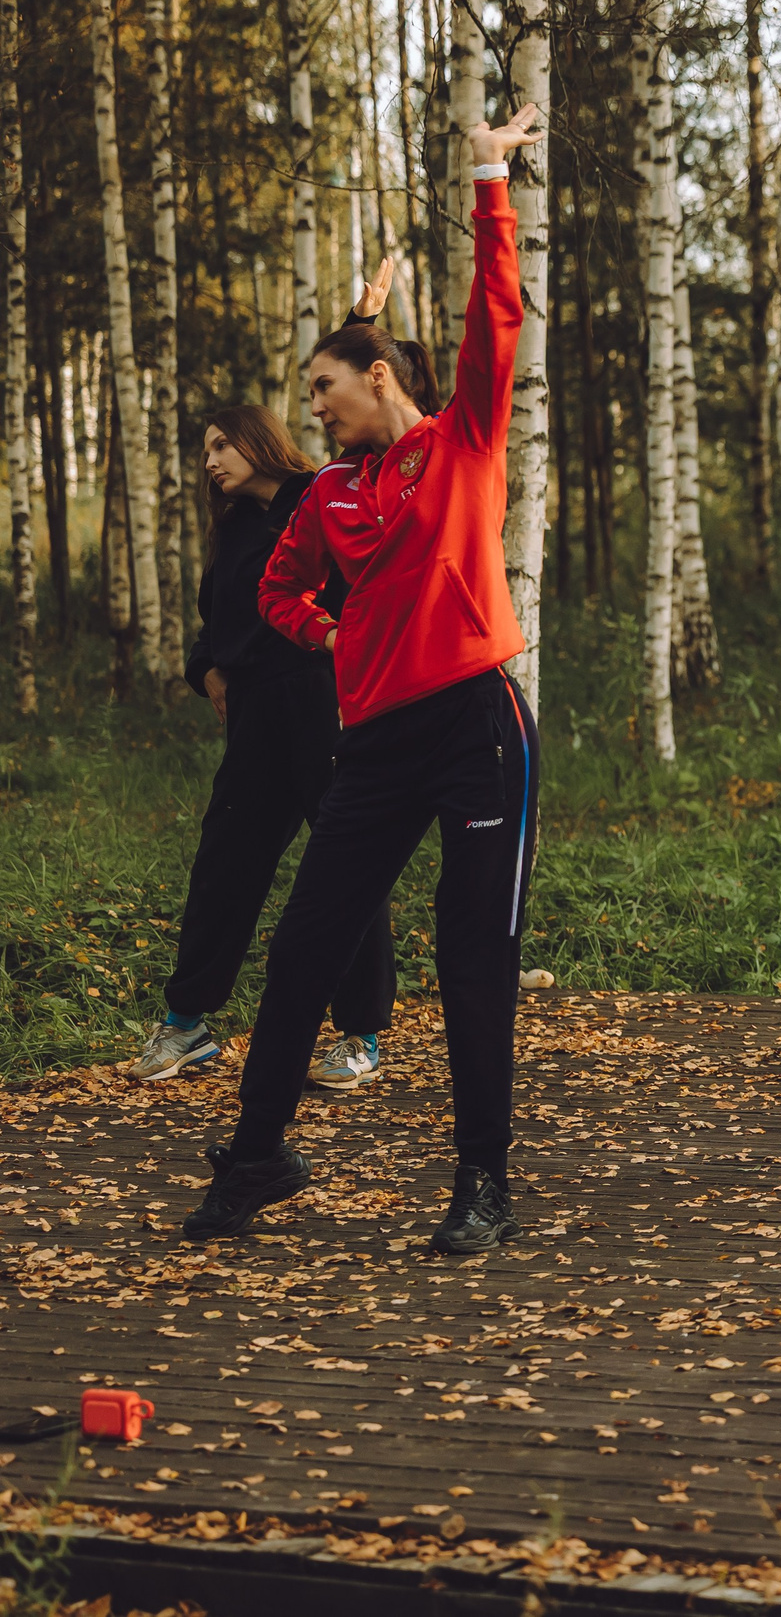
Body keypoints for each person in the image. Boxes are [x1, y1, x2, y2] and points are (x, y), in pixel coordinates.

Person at [177, 105, 543, 1255]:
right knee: (305, 946)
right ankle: (257, 1157)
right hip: (374, 741)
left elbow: (498, 316)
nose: (314, 406)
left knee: (471, 955)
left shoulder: (460, 444)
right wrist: (333, 636)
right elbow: (275, 595)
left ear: (376, 377)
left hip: (479, 726)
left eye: (326, 386)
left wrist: (490, 177)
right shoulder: (328, 495)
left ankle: (481, 1179)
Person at [125, 404, 399, 1090]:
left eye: (221, 444)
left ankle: (360, 1034)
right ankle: (186, 1022)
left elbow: (365, 586)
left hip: (322, 700)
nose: (210, 460)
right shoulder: (236, 529)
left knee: (348, 861)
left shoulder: (326, 495)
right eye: (206, 449)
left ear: (259, 442)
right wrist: (206, 669)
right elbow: (211, 624)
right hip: (252, 713)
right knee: (225, 861)